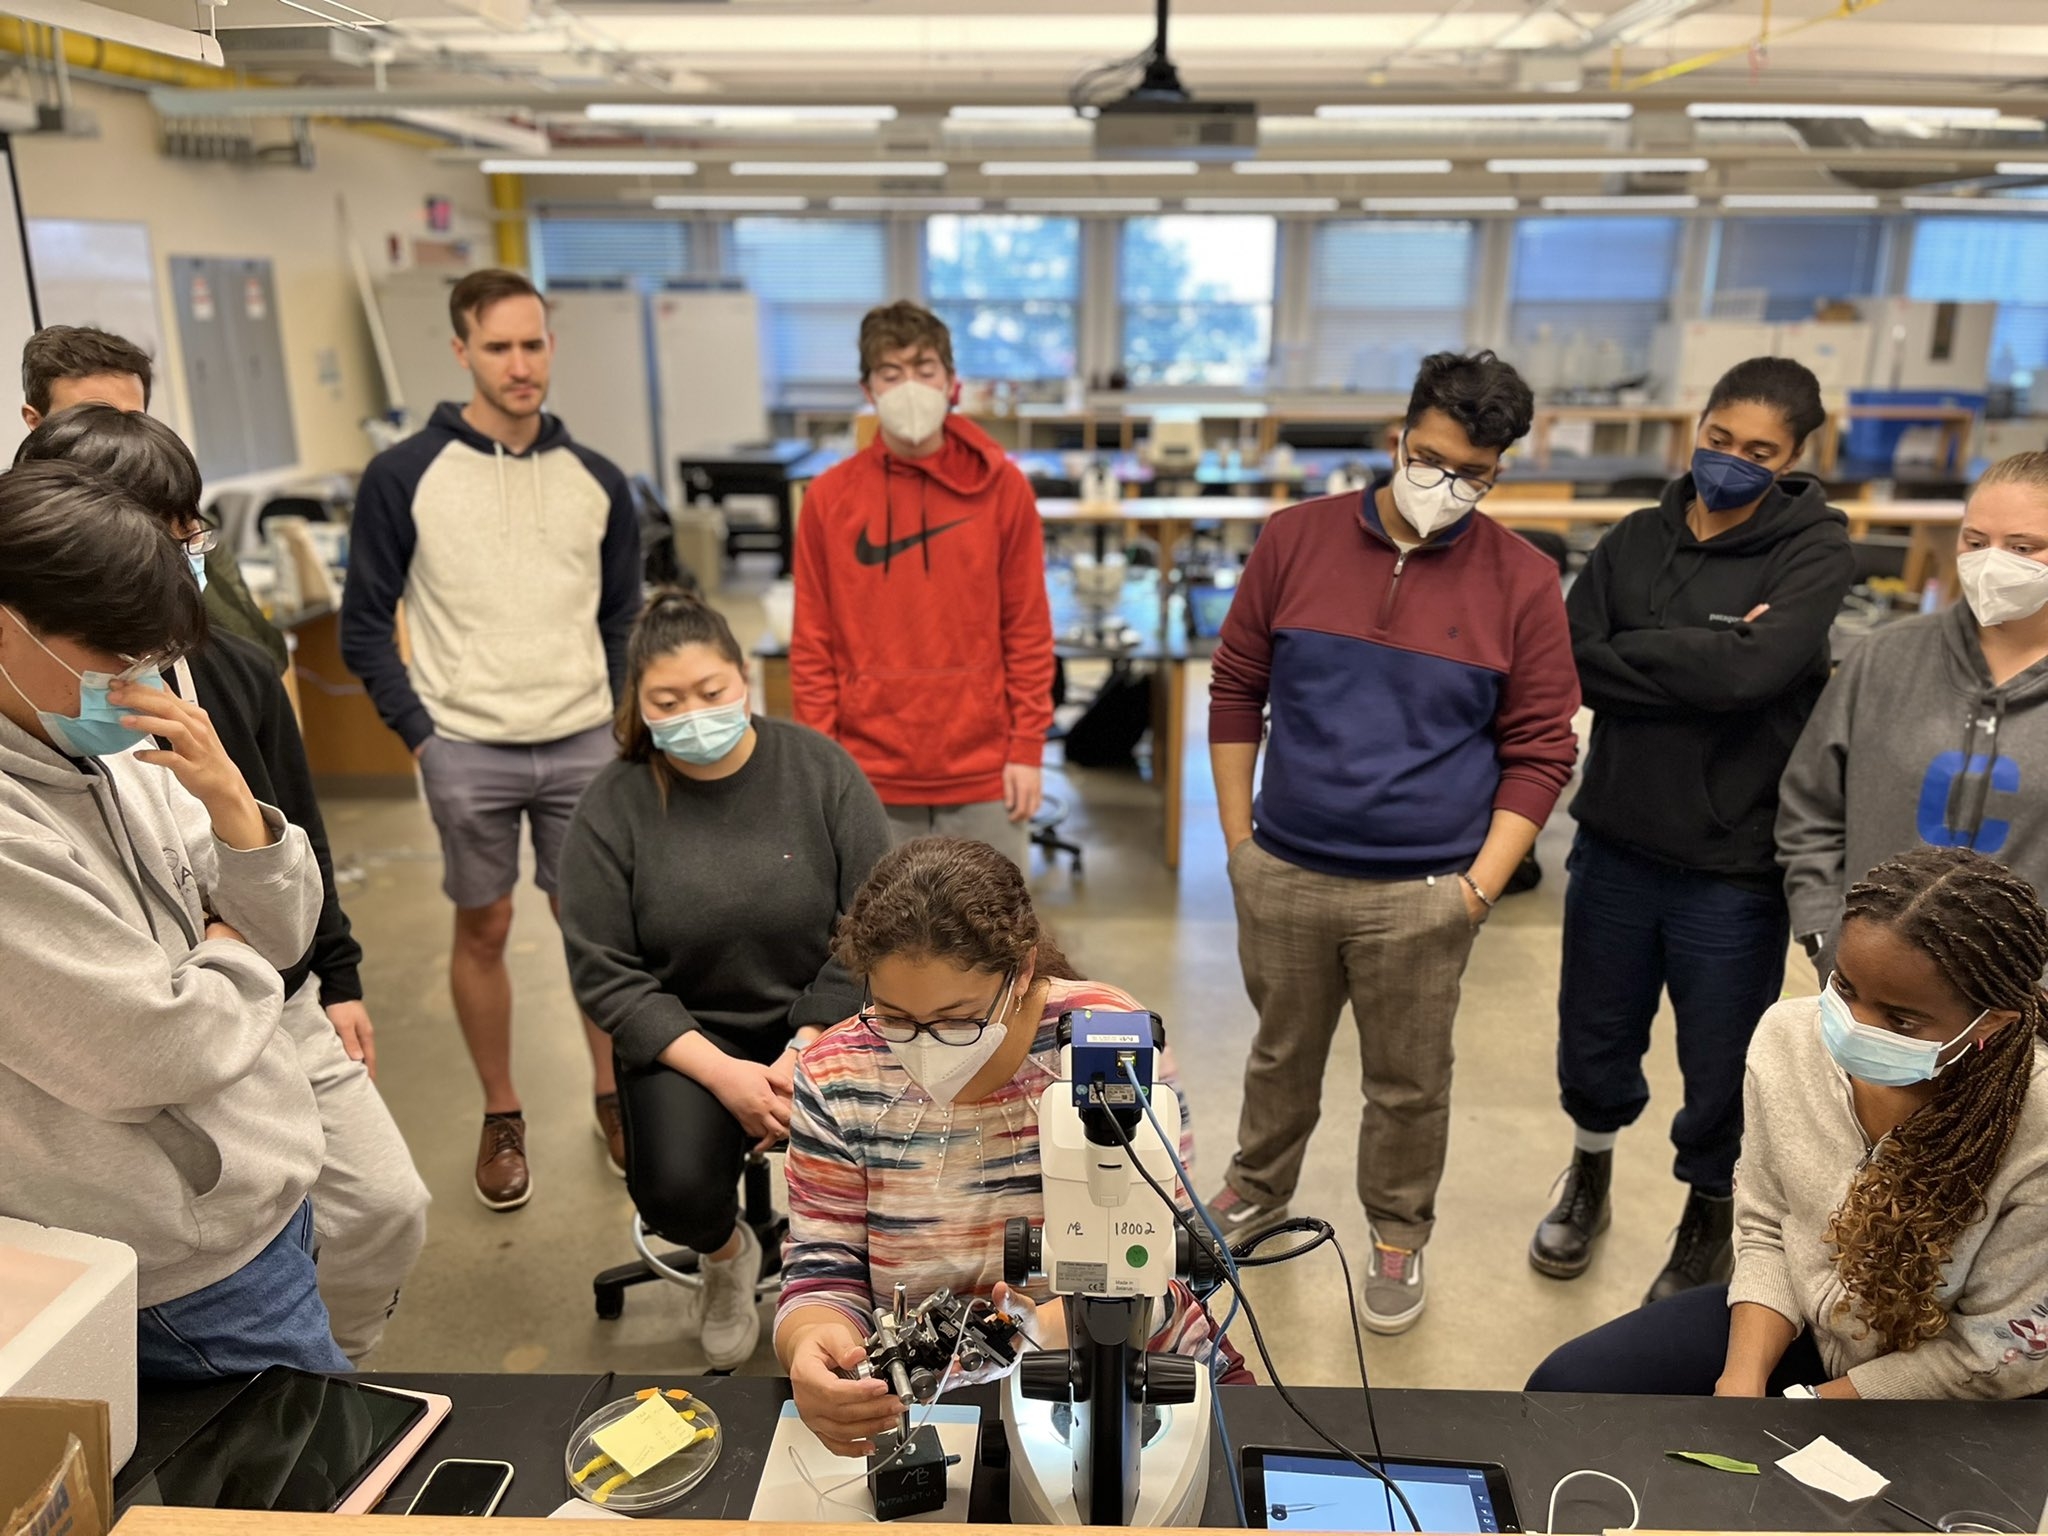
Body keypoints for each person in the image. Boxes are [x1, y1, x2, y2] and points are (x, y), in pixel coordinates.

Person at [15, 404, 429, 1363]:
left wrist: (242, 834)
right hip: (180, 1240)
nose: (140, 680)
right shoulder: (35, 800)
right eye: (114, 655)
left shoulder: (112, 737)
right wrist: (234, 950)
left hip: (253, 1160)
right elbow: (157, 1045)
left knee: (382, 1215)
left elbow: (279, 921)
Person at [1202, 350, 1579, 1336]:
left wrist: (1476, 889)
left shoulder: (1523, 582)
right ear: (1394, 438)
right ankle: (1255, 1191)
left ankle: (1397, 1233)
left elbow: (1540, 751)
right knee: (1279, 1054)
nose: (1443, 487)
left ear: (1496, 472)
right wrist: (1238, 842)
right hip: (1283, 864)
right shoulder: (1292, 541)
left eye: (1472, 475)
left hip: (1423, 888)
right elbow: (1235, 688)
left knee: (1408, 1084)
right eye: (1427, 457)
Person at [1531, 358, 1855, 1305]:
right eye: (1719, 440)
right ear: (1699, 426)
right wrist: (1715, 656)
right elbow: (1573, 660)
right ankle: (1589, 1174)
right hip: (1615, 843)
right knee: (1594, 1038)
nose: (1732, 461)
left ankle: (1709, 1214)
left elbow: (1752, 678)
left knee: (1721, 1062)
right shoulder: (1635, 538)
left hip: (1732, 867)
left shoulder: (1814, 551)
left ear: (1796, 457)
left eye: (1760, 451)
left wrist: (1651, 655)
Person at [776, 837, 1246, 1458]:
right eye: (891, 1016)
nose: (923, 1045)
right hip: (933, 1398)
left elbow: (1176, 1259)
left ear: (1021, 973)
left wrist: (1057, 1327)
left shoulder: (1106, 1050)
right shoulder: (839, 1073)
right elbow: (823, 1267)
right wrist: (813, 1343)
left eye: (957, 1019)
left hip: (1135, 1368)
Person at [1529, 846, 2048, 1400]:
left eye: (1901, 1020)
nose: (1853, 1027)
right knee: (1565, 1388)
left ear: (1988, 1022)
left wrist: (1808, 1410)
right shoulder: (1788, 1037)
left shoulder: (2035, 1126)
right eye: (1845, 988)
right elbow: (1766, 1222)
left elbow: (1998, 1351)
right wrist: (1743, 1379)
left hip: (1949, 1384)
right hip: (1801, 1322)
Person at [340, 267, 642, 1211]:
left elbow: (624, 619)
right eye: (500, 346)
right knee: (486, 926)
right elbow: (363, 623)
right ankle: (502, 1113)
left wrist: (622, 720)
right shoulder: (403, 475)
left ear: (553, 347)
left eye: (534, 344)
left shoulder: (598, 481)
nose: (520, 364)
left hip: (585, 738)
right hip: (466, 742)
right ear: (461, 349)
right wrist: (424, 736)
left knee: (592, 931)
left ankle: (614, 1095)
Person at [558, 588, 890, 1369]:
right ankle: (724, 1254)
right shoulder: (614, 805)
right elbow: (603, 969)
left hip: (828, 1023)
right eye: (667, 701)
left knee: (894, 1164)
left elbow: (874, 918)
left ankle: (854, 1280)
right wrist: (726, 1075)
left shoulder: (818, 770)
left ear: (745, 678)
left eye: (712, 692)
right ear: (638, 706)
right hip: (689, 1037)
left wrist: (807, 1043)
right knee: (672, 1189)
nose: (694, 713)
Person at [790, 302, 1053, 867]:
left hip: (985, 773)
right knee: (878, 950)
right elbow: (812, 643)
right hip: (868, 774)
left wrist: (1027, 747)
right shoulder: (829, 499)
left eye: (925, 369)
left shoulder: (1003, 488)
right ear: (869, 388)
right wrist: (824, 765)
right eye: (891, 372)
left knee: (990, 949)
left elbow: (1028, 629)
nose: (910, 385)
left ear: (952, 383)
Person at [1781, 451, 2048, 982]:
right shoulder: (1883, 658)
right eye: (1975, 541)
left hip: (2026, 1010)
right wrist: (1825, 934)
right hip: (1869, 989)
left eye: (2022, 547)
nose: (1991, 562)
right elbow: (1809, 808)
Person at [20, 325, 285, 672]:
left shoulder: (187, 529)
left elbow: (260, 655)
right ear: (35, 422)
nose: (119, 438)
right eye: (91, 419)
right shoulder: (21, 540)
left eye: (132, 420)